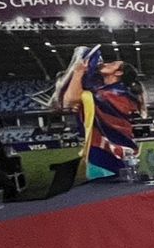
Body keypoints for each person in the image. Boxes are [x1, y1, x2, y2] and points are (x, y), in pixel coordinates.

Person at [58, 46, 144, 179]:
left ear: (118, 73)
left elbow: (70, 100)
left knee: (107, 188)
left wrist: (78, 72)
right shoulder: (106, 91)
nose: (106, 63)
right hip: (105, 151)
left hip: (108, 152)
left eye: (113, 64)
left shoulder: (113, 94)